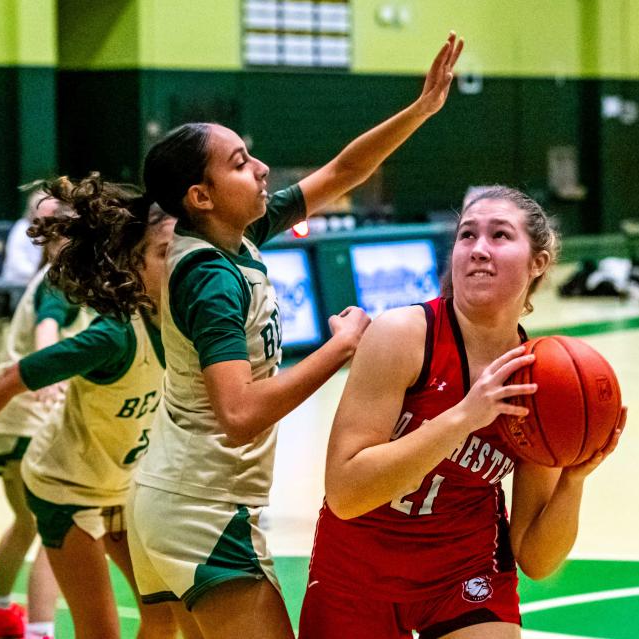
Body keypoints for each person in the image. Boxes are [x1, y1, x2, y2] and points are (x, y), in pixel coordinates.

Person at [125, 31, 465, 639]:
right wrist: (340, 346)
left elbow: (345, 169)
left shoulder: (235, 236)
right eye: (238, 164)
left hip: (173, 495)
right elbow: (238, 412)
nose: (259, 169)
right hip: (203, 509)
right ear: (200, 197)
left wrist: (421, 110)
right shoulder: (209, 277)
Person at [299, 186, 626, 639]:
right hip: (359, 567)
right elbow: (346, 492)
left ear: (539, 261)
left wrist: (573, 479)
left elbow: (537, 558)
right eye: (467, 236)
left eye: (500, 236)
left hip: (463, 572)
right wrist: (463, 417)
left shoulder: (541, 377)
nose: (479, 250)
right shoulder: (403, 335)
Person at [0, 174, 195, 639]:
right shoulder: (114, 335)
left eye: (184, 252)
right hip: (65, 484)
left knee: (166, 614)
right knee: (100, 628)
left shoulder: (184, 323)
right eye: (163, 253)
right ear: (136, 265)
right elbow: (13, 376)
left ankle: (3, 612)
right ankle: (36, 626)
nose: (178, 264)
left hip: (118, 482)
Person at [0, 211, 88, 639]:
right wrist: (48, 369)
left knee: (26, 522)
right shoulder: (61, 283)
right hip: (32, 418)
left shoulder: (53, 279)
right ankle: (40, 631)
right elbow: (48, 326)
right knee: (58, 530)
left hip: (8, 423)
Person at [1, 189, 57, 284]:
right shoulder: (22, 228)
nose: (50, 214)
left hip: (44, 280)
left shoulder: (57, 231)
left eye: (54, 210)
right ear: (34, 210)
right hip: (18, 284)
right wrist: (40, 275)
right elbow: (16, 262)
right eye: (45, 209)